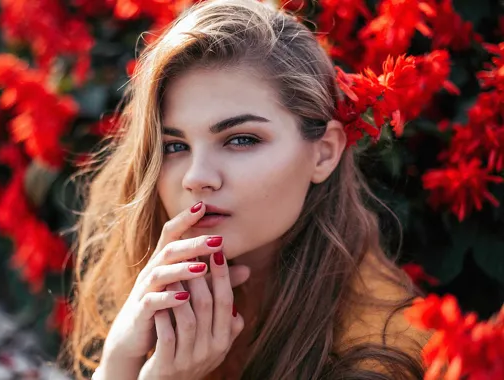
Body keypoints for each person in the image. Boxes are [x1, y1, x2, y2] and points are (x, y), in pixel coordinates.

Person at [66, 0, 431, 378]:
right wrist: (117, 360)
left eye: (240, 140)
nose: (197, 177)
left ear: (324, 153)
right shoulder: (169, 291)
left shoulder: (377, 353)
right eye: (175, 146)